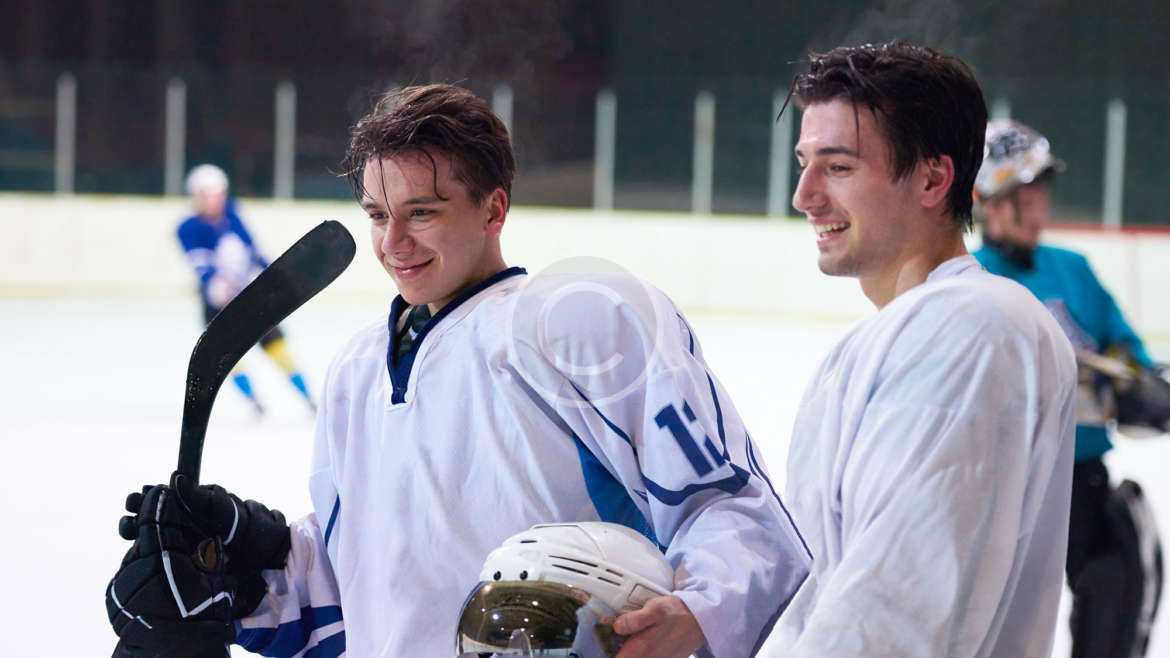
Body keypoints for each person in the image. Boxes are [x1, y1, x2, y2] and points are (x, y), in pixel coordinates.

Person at [107, 84, 811, 658]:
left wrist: (696, 611)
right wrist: (237, 570)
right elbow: (361, 602)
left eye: (422, 213)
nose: (392, 243)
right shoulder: (358, 369)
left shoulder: (576, 319)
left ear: (494, 208)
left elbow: (735, 511)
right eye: (377, 214)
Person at [768, 42, 1078, 657]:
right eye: (805, 163)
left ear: (934, 178)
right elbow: (826, 580)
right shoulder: (881, 340)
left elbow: (892, 613)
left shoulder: (973, 329)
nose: (804, 196)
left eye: (838, 167)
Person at [973, 118, 1165, 657]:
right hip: (1005, 488)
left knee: (1118, 574)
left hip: (1081, 482)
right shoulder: (971, 279)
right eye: (1024, 198)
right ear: (989, 200)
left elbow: (1128, 353)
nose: (1039, 210)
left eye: (1041, 196)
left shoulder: (1073, 269)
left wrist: (1137, 385)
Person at [177, 164, 316, 415]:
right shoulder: (188, 227)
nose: (214, 201)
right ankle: (254, 402)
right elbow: (200, 263)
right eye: (207, 195)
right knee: (225, 357)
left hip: (250, 297)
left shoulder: (232, 213)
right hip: (218, 303)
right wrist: (215, 283)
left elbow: (252, 248)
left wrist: (275, 272)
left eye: (217, 194)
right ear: (196, 197)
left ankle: (308, 399)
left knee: (277, 348)